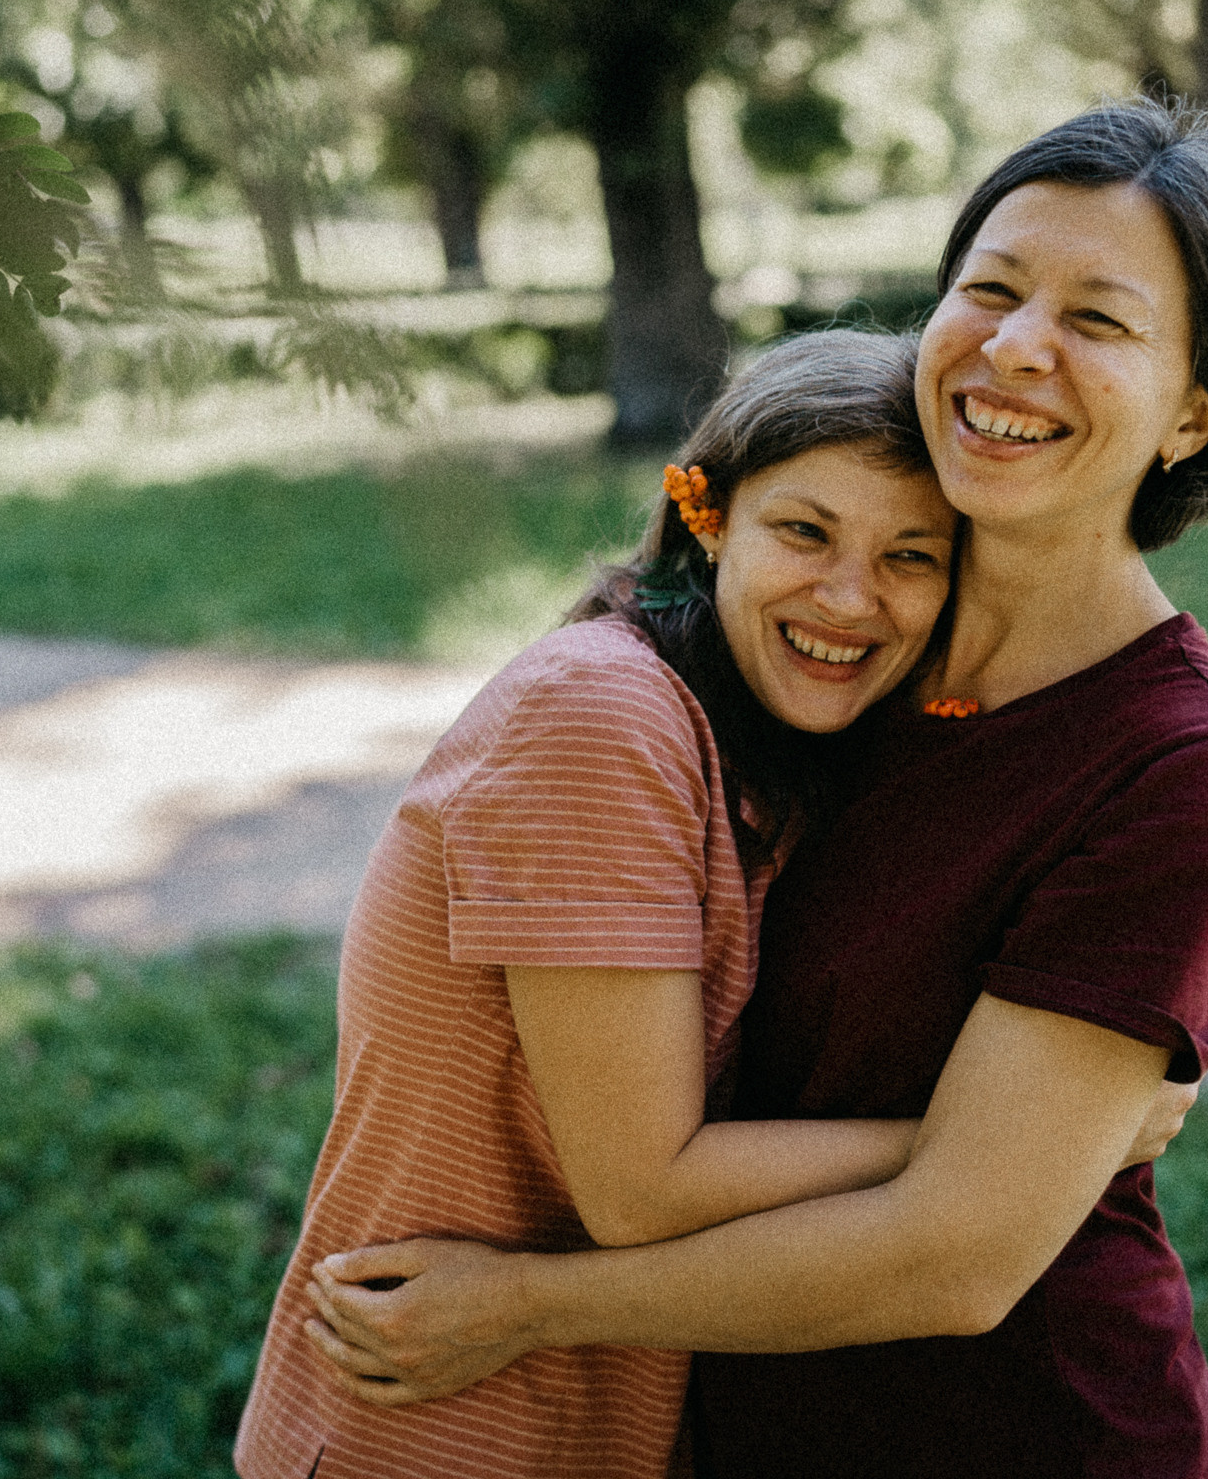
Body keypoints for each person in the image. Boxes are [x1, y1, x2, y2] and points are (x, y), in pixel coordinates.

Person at [302, 95, 1208, 1479]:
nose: (1017, 347)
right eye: (993, 288)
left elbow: (957, 1259)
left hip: (1022, 1436)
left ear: (1194, 411)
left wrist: (533, 1307)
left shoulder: (1183, 770)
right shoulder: (842, 667)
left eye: (1098, 319)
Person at [234, 329, 962, 1479]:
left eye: (912, 555)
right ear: (709, 518)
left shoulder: (755, 745)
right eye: (805, 530)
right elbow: (642, 1187)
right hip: (437, 1423)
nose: (852, 595)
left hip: (580, 1412)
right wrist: (1009, 1147)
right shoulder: (601, 719)